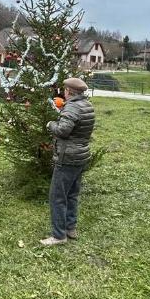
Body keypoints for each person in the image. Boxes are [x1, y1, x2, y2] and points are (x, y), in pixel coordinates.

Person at [40, 77, 96, 246]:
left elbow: (63, 130)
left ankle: (58, 235)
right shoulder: (87, 105)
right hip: (80, 156)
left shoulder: (72, 106)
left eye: (65, 89)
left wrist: (51, 124)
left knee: (57, 196)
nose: (63, 92)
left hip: (67, 157)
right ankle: (70, 228)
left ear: (69, 91)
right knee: (72, 194)